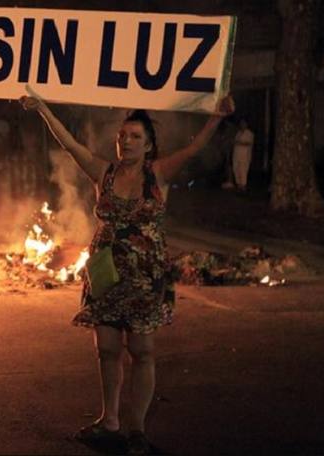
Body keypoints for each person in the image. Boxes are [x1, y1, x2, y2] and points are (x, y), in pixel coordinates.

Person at [20, 93, 233, 454]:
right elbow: (70, 145)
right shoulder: (103, 172)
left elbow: (194, 149)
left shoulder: (158, 174)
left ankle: (137, 429)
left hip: (144, 278)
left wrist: (216, 118)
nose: (126, 141)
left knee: (142, 351)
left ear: (148, 145)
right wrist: (42, 109)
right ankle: (110, 421)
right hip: (106, 275)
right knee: (106, 350)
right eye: (122, 136)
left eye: (135, 136)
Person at [232, 118, 254, 192]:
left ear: (246, 124)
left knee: (243, 170)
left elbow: (248, 143)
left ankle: (243, 186)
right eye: (241, 123)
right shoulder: (238, 133)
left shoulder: (249, 133)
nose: (242, 125)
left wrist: (239, 143)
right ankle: (238, 185)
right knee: (236, 169)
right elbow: (235, 142)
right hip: (236, 154)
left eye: (243, 123)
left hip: (244, 155)